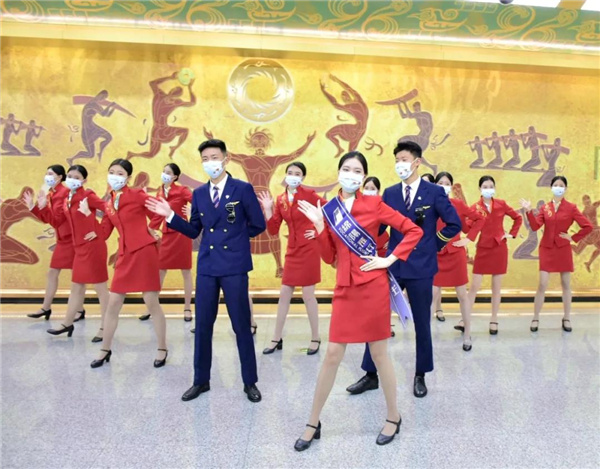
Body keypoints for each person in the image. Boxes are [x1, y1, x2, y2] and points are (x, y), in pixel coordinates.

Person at [294, 151, 423, 450]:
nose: (350, 174)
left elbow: (413, 230)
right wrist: (320, 226)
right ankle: (313, 422)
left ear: (363, 177)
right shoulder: (329, 209)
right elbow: (330, 257)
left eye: (356, 171)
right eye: (346, 169)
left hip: (373, 287)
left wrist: (389, 259)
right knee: (332, 354)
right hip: (345, 289)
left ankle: (393, 416)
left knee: (379, 354)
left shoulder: (374, 204)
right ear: (338, 172)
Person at [146, 139, 266, 403]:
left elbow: (258, 224)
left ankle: (250, 382)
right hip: (208, 267)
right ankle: (201, 380)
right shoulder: (199, 193)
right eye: (205, 159)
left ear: (226, 159)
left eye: (214, 157)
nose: (210, 163)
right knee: (202, 326)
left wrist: (235, 239)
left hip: (234, 267)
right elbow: (194, 231)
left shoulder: (242, 189)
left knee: (241, 325)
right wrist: (170, 216)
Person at [346, 141, 461, 399]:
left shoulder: (434, 192)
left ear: (417, 162)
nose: (400, 164)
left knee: (422, 322)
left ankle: (420, 374)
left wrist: (434, 245)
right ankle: (370, 374)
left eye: (404, 159)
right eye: (397, 159)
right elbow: (379, 227)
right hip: (393, 265)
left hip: (421, 267)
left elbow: (454, 224)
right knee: (377, 318)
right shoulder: (390, 193)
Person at [90, 159, 168, 369]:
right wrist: (87, 217)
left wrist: (152, 229)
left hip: (144, 252)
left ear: (128, 177)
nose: (115, 176)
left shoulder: (137, 194)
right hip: (125, 255)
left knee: (151, 301)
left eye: (120, 173)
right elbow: (104, 232)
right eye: (112, 172)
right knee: (113, 303)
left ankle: (162, 347)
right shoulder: (109, 202)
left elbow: (158, 211)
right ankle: (105, 350)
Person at [35, 165, 109, 342]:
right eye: (70, 176)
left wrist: (99, 230)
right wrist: (42, 207)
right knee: (76, 286)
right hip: (79, 247)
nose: (72, 180)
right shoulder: (68, 198)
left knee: (100, 289)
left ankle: (105, 327)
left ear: (84, 180)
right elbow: (57, 221)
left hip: (93, 246)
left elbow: (111, 209)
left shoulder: (88, 195)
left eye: (77, 177)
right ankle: (67, 323)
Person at [258, 162, 325, 355]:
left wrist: (317, 231)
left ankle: (315, 337)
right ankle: (276, 338)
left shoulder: (309, 195)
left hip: (309, 249)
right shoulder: (280, 200)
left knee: (308, 295)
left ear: (302, 177)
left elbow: (328, 212)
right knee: (284, 293)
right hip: (292, 250)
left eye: (297, 173)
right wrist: (268, 209)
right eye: (290, 172)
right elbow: (273, 230)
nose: (293, 176)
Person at [520, 176, 592, 332]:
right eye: (556, 185)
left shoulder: (571, 207)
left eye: (561, 185)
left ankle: (566, 318)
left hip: (563, 248)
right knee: (542, 283)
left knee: (566, 284)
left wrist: (573, 237)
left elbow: (588, 226)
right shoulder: (545, 208)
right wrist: (529, 211)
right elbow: (535, 226)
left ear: (565, 188)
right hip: (546, 248)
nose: (558, 187)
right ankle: (535, 317)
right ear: (551, 187)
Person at [432, 172, 485, 351]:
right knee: (432, 295)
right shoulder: (428, 205)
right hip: (436, 255)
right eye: (440, 183)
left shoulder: (458, 204)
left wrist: (468, 239)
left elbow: (479, 219)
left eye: (447, 183)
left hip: (455, 254)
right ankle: (426, 338)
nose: (443, 186)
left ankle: (467, 334)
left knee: (462, 295)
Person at [25, 165, 85, 322]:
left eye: (50, 174)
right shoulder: (51, 193)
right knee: (53, 273)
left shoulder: (64, 193)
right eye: (46, 173)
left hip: (72, 239)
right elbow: (48, 219)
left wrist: (43, 206)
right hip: (63, 239)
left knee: (77, 276)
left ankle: (78, 309)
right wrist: (34, 207)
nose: (47, 177)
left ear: (59, 177)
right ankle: (46, 307)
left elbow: (57, 220)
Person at [467, 175, 522, 335]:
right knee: (474, 286)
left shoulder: (501, 204)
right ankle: (465, 318)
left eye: (491, 186)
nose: (488, 189)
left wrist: (511, 234)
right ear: (479, 189)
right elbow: (468, 226)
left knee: (496, 287)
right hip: (483, 248)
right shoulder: (475, 208)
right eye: (485, 187)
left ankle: (494, 319)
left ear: (495, 188)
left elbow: (517, 218)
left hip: (499, 247)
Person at [139, 163, 194, 322]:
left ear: (175, 176)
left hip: (182, 234)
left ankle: (187, 308)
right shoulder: (160, 191)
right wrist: (151, 228)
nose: (165, 174)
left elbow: (197, 203)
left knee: (186, 271)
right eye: (164, 171)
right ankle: (152, 307)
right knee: (160, 270)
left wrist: (193, 213)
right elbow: (158, 214)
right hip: (167, 235)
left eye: (168, 172)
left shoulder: (182, 190)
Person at [364, 176, 395, 337]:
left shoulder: (382, 206)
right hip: (363, 251)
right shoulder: (355, 206)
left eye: (373, 189)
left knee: (383, 291)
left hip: (382, 250)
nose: (369, 191)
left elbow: (384, 227)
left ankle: (386, 324)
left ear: (378, 191)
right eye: (366, 188)